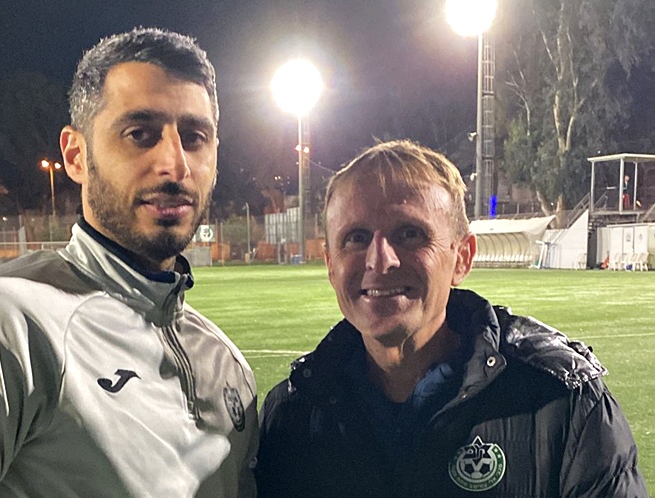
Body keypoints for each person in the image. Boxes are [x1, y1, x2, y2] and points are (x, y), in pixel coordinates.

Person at [0, 27, 258, 497]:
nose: (176, 164)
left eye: (194, 137)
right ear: (75, 155)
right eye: (140, 134)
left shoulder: (227, 365)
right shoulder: (2, 327)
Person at [256, 140, 647, 497]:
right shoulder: (292, 414)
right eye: (356, 238)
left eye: (409, 234)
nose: (380, 260)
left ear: (462, 257)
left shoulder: (562, 400)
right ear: (331, 265)